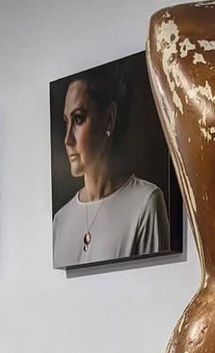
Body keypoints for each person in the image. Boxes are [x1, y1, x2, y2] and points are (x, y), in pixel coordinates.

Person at [52, 63, 170, 268]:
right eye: (66, 122)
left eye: (78, 119)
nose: (67, 139)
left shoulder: (145, 203)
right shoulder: (61, 220)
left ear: (109, 118)